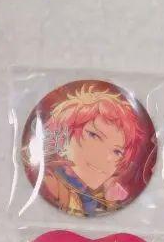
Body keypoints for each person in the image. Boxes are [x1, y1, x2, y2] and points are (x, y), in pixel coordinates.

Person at [35, 84, 150, 215]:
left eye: (117, 152)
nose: (106, 158)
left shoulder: (93, 196)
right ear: (65, 134)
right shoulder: (51, 183)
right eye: (94, 136)